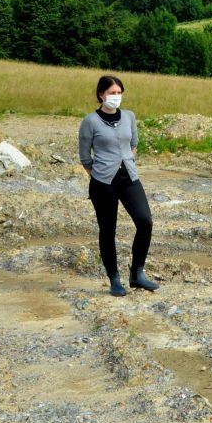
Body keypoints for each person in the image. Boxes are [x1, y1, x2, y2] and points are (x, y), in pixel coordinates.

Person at [78, 75, 158, 297]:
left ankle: (137, 274)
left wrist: (127, 161)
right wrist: (99, 175)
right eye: (112, 93)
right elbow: (85, 156)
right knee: (108, 230)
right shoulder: (90, 121)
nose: (116, 97)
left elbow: (133, 143)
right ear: (101, 95)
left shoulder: (129, 117)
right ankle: (114, 279)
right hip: (103, 182)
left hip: (129, 178)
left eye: (119, 92)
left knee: (145, 221)